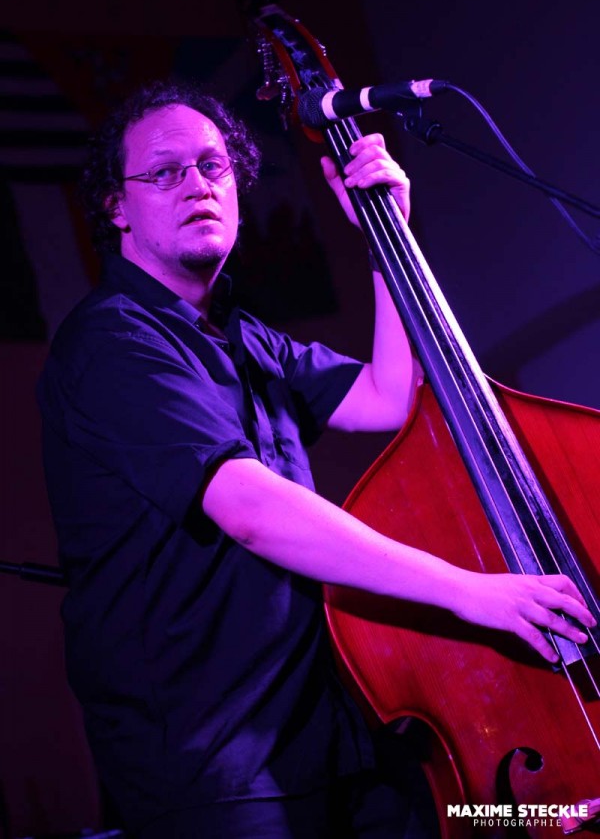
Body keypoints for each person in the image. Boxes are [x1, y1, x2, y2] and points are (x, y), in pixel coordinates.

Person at [37, 82, 594, 838]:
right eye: (165, 172)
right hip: (218, 766)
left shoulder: (243, 336)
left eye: (213, 165)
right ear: (116, 208)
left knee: (487, 819)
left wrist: (386, 237)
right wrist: (469, 591)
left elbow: (386, 398)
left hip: (332, 736)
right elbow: (249, 509)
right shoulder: (113, 342)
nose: (198, 185)